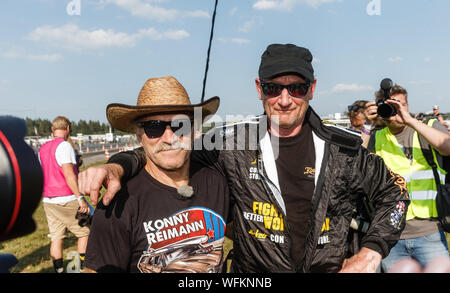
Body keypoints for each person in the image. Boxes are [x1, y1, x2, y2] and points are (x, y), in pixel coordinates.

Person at [79, 44, 409, 273]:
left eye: (296, 88)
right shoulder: (232, 143)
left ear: (312, 89)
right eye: (272, 88)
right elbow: (167, 149)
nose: (283, 100)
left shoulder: (345, 149)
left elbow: (395, 192)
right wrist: (117, 164)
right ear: (258, 88)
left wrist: (371, 252)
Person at [84, 76, 229, 273]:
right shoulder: (117, 206)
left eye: (180, 125)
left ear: (194, 130)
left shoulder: (216, 184)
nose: (169, 138)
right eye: (154, 127)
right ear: (139, 137)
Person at [362, 84, 450, 272]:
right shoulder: (377, 137)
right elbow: (355, 163)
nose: (396, 110)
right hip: (391, 236)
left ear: (407, 106)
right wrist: (367, 124)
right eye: (390, 106)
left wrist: (410, 121)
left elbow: (447, 146)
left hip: (429, 232)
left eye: (399, 104)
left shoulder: (428, 127)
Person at [39, 116, 90, 273]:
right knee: (84, 232)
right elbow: (69, 175)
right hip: (66, 197)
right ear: (68, 128)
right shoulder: (65, 146)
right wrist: (80, 198)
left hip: (49, 199)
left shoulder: (43, 148)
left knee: (56, 237)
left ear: (53, 130)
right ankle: (82, 267)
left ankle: (59, 270)